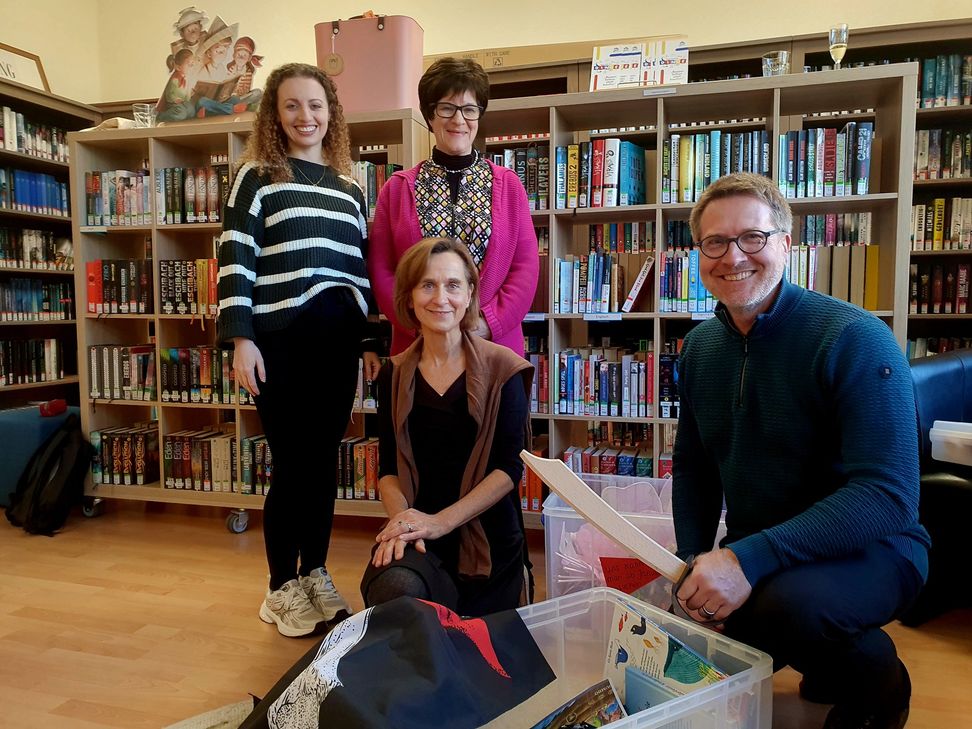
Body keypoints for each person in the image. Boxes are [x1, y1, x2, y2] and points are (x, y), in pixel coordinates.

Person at [671, 172, 930, 729]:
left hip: (876, 549)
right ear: (699, 253)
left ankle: (882, 688)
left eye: (753, 238)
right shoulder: (698, 350)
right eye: (715, 242)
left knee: (786, 609)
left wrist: (744, 561)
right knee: (704, 628)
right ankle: (829, 665)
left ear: (787, 243)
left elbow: (888, 497)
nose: (733, 256)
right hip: (765, 547)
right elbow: (694, 467)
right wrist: (693, 561)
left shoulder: (854, 338)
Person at [216, 62, 381, 638]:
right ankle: (278, 587)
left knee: (322, 467)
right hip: (280, 342)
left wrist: (367, 343)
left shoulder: (351, 187)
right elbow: (236, 258)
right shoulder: (255, 177)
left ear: (331, 113)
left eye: (316, 105)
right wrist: (241, 339)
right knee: (292, 467)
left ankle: (314, 570)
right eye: (292, 105)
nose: (305, 117)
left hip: (337, 344)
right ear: (274, 114)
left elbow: (359, 272)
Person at [360, 237, 534, 617]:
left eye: (453, 285)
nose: (441, 297)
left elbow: (509, 470)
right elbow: (388, 468)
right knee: (395, 587)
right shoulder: (392, 373)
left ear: (470, 294)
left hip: (487, 540)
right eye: (427, 285)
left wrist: (440, 523)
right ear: (408, 297)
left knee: (482, 662)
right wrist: (402, 522)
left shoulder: (504, 369)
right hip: (420, 537)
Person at [368, 57, 539, 358]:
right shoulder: (396, 188)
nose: (458, 120)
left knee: (495, 407)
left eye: (469, 109)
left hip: (492, 346)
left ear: (479, 114)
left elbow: (524, 268)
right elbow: (382, 270)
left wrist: (488, 323)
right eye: (446, 108)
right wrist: (421, 323)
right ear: (429, 115)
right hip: (418, 345)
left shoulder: (509, 185)